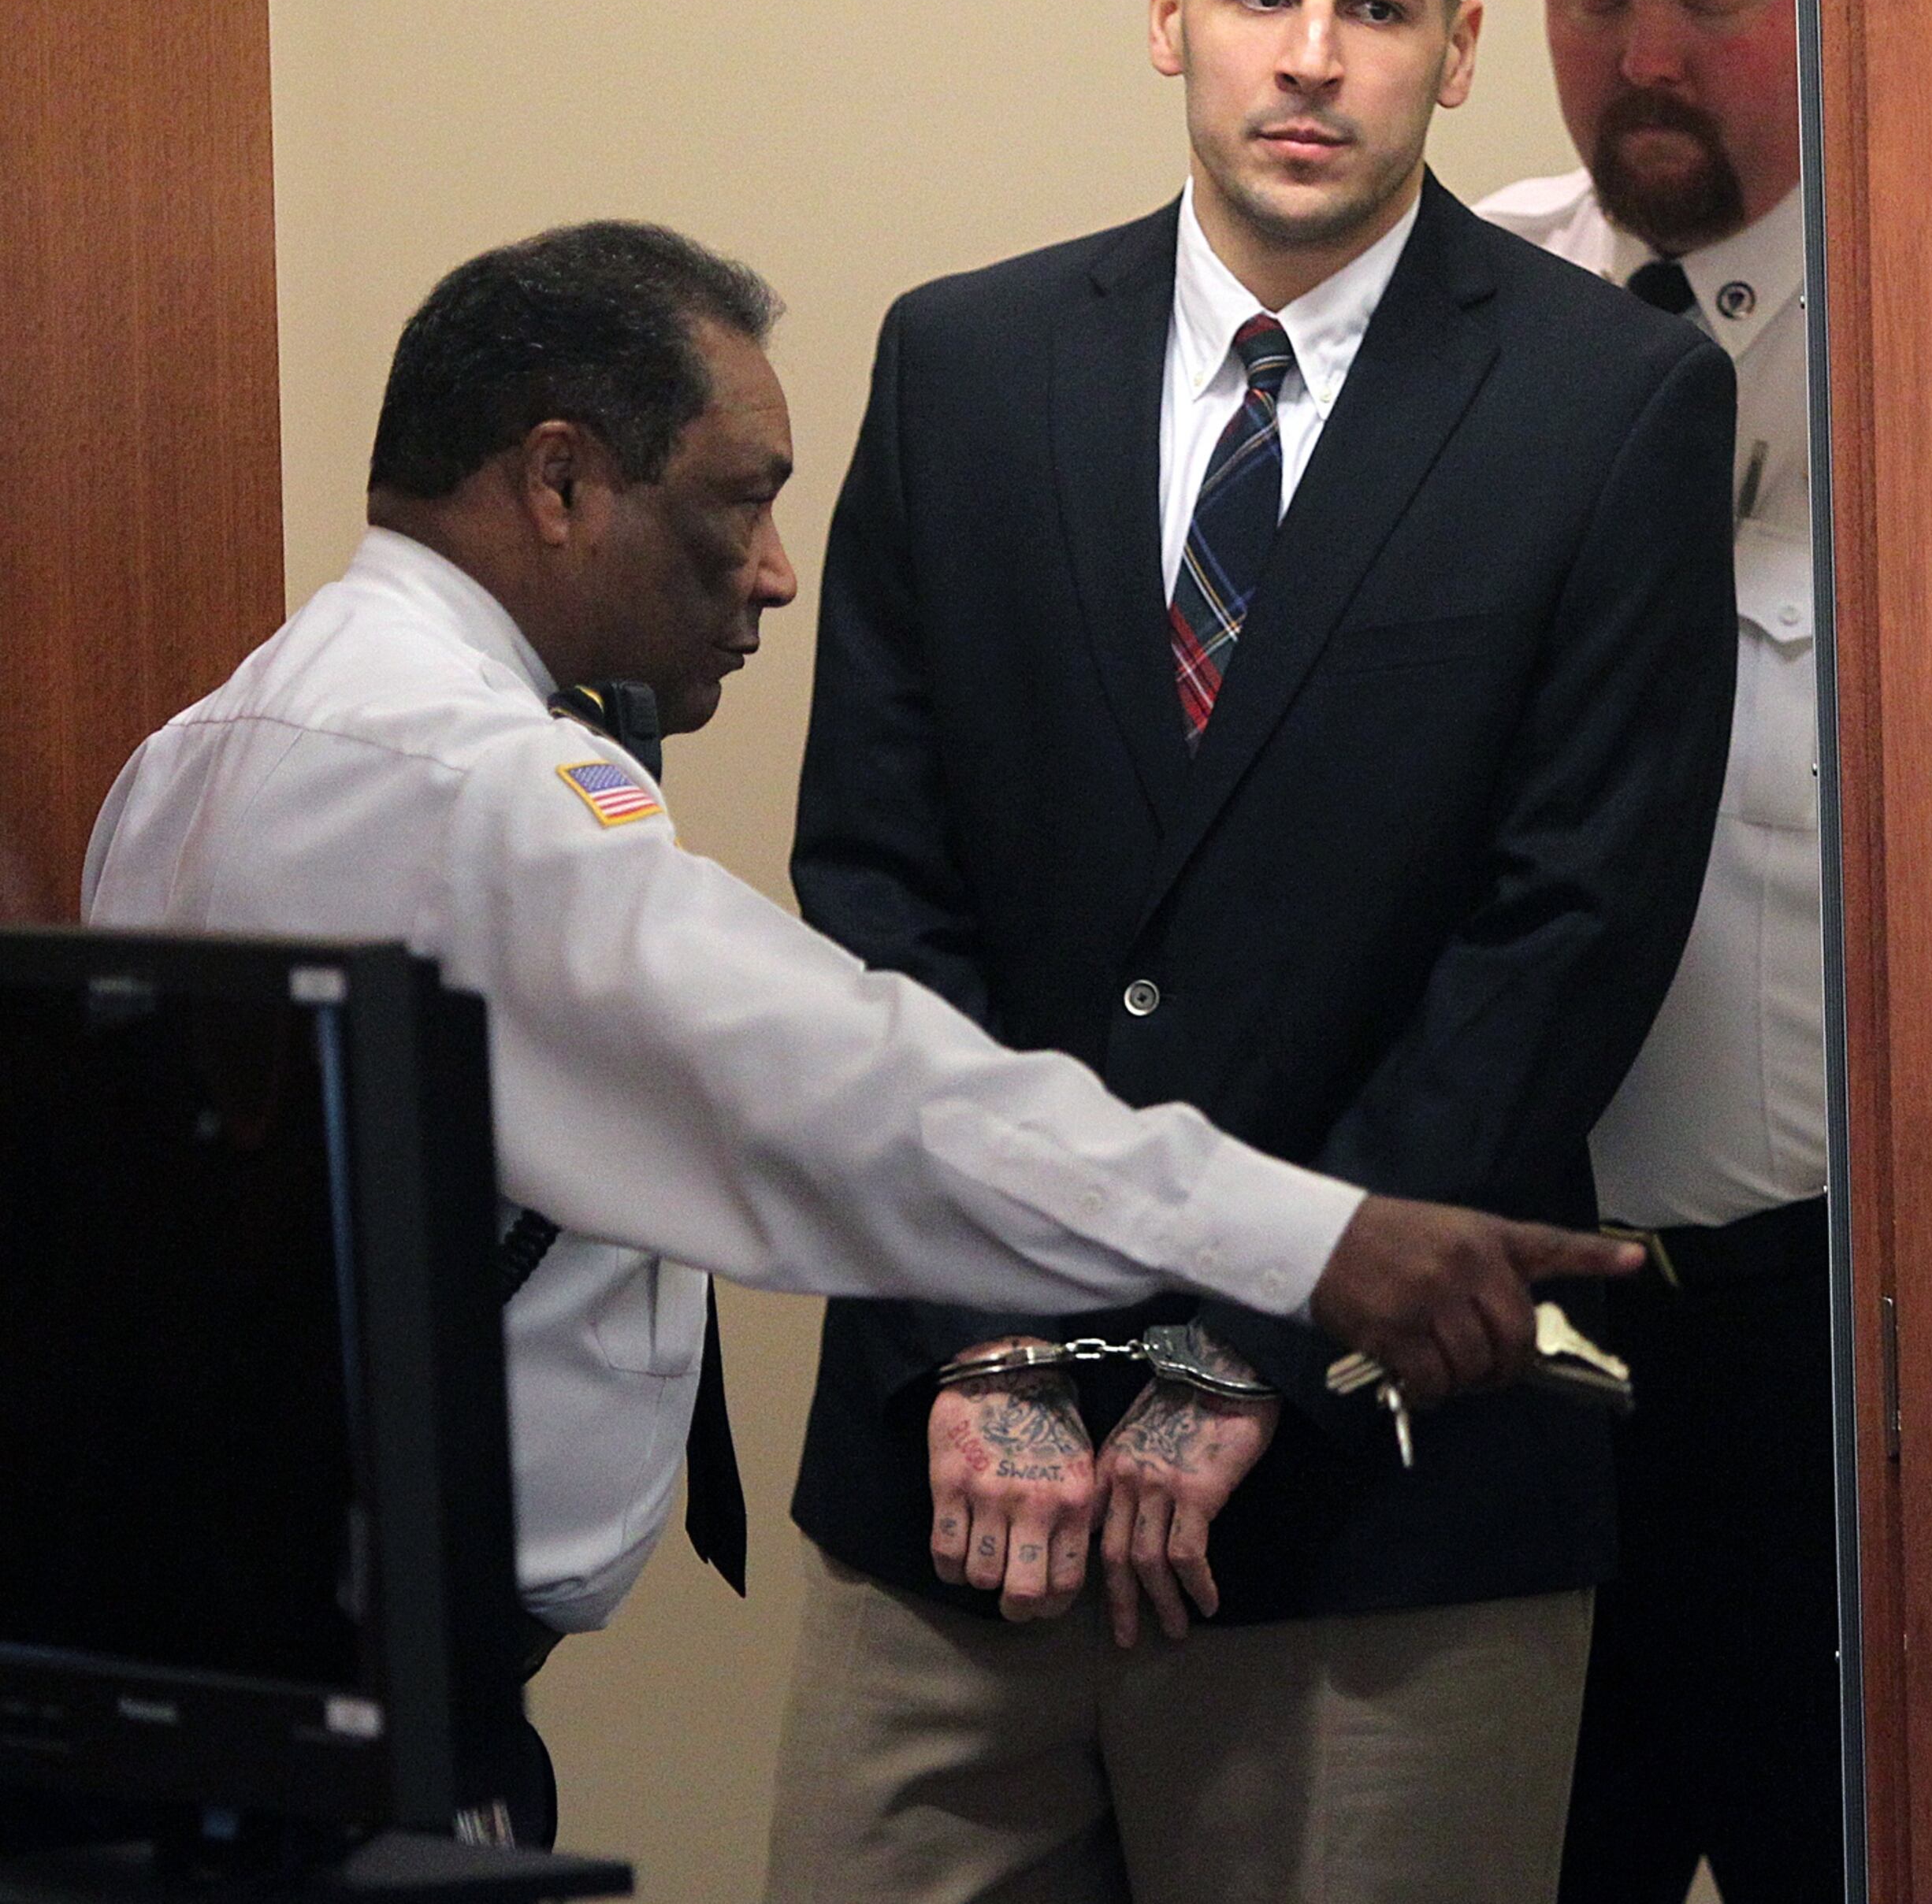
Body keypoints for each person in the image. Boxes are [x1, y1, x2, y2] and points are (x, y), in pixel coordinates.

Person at [80, 219, 1643, 1845]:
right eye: (736, 499)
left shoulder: (210, 744)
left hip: (245, 1688)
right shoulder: (475, 793)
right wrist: (1313, 1241)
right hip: (367, 1740)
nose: (774, 568)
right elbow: (853, 1092)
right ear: (559, 483)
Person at [757, 0, 1739, 1904]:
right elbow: (876, 892)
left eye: (1374, 9)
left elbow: (1564, 939)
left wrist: (1254, 1338)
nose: (1310, 57)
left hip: (1384, 1496)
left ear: (1457, 54)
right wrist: (990, 1334)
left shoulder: (1612, 405)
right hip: (960, 1460)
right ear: (1167, 15)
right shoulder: (961, 363)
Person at [1477, 0, 1841, 1904]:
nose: (1644, 65)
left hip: (1823, 1337)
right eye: (1592, 1)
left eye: (1714, 1)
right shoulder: (1449, 327)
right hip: (1494, 1311)